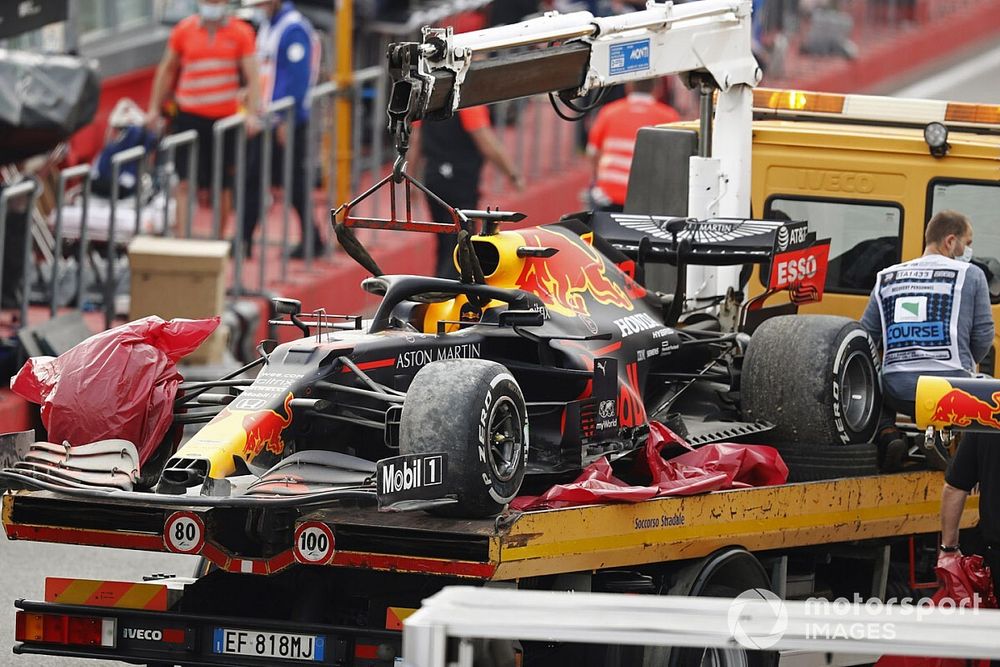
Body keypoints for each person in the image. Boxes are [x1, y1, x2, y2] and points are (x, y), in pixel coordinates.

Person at [860, 210, 994, 466]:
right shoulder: (972, 274)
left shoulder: (886, 277)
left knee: (873, 378)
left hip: (898, 392)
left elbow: (866, 335)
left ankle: (888, 433)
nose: (969, 250)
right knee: (984, 390)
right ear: (950, 241)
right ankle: (954, 448)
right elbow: (984, 333)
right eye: (968, 243)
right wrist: (966, 360)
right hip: (951, 389)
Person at [146, 0, 262, 236]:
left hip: (225, 121)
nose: (212, 5)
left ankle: (218, 241)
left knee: (222, 186)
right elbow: (167, 69)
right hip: (189, 118)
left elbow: (253, 76)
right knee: (185, 182)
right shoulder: (183, 30)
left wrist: (252, 114)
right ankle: (183, 242)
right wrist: (154, 108)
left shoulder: (241, 32)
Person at [239, 0, 325, 260]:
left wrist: (284, 119)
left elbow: (296, 80)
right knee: (260, 179)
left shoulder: (293, 29)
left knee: (291, 182)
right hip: (269, 118)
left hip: (285, 122)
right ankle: (244, 238)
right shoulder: (269, 26)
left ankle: (312, 240)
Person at [412, 107, 523, 279]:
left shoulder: (429, 103)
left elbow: (415, 141)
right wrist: (512, 173)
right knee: (461, 243)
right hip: (460, 181)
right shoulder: (468, 104)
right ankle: (449, 290)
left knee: (444, 240)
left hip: (433, 179)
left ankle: (439, 285)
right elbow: (485, 141)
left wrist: (411, 179)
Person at [585, 78, 680, 212]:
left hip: (609, 194)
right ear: (657, 89)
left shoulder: (609, 112)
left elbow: (593, 152)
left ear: (629, 86)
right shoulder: (669, 117)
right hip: (648, 197)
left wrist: (597, 182)